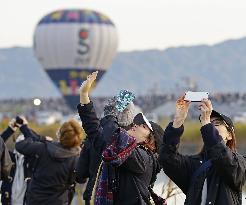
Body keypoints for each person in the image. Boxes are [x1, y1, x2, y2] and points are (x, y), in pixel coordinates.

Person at [77, 71, 165, 205]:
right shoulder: (117, 149)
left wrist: (110, 115)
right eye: (137, 122)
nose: (136, 125)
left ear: (150, 141)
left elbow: (115, 137)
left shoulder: (145, 159)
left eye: (144, 126)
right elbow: (93, 130)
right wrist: (84, 96)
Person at [159, 95, 246, 205]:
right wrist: (178, 121)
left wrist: (206, 123)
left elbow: (225, 161)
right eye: (209, 124)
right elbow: (166, 158)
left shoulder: (239, 163)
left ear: (230, 135)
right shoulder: (194, 164)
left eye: (217, 124)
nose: (211, 127)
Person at [76, 73, 138, 205]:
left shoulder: (95, 139)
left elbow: (80, 173)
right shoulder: (135, 144)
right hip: (125, 199)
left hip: (94, 195)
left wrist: (84, 94)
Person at [15, 116, 83, 205]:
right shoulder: (76, 159)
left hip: (35, 200)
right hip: (59, 201)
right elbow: (82, 179)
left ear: (60, 134)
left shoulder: (44, 148)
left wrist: (42, 139)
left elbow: (20, 145)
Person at [0, 117, 53, 205]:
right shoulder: (11, 159)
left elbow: (44, 145)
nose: (20, 147)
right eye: (18, 143)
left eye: (23, 143)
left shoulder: (36, 160)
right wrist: (9, 131)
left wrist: (25, 128)